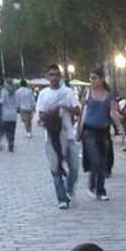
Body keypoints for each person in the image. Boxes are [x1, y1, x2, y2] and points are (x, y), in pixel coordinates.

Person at [37, 63, 81, 210]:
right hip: (51, 136)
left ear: (60, 76)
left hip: (68, 135)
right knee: (55, 168)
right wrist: (51, 112)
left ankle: (69, 187)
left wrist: (63, 107)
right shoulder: (43, 94)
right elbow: (40, 115)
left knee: (74, 166)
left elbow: (77, 111)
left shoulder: (68, 92)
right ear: (47, 76)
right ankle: (62, 198)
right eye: (51, 75)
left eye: (56, 74)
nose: (54, 77)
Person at [79, 67, 122, 201]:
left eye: (95, 78)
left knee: (103, 161)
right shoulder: (87, 93)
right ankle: (92, 183)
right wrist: (78, 130)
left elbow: (113, 112)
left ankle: (101, 190)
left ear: (102, 79)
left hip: (103, 130)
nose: (92, 81)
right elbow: (82, 112)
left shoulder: (109, 95)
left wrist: (119, 125)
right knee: (96, 159)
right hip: (89, 130)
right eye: (91, 78)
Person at [0, 77, 19, 152]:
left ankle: (10, 142)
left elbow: (2, 102)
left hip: (6, 114)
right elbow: (17, 103)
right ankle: (11, 142)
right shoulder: (15, 92)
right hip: (14, 114)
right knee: (12, 130)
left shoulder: (4, 91)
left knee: (6, 130)